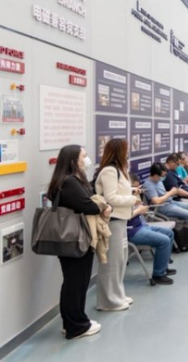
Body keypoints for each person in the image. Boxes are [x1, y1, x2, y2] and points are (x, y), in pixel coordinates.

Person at [48, 145, 107, 339]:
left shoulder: (64, 180)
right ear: (73, 160)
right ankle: (76, 327)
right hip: (75, 240)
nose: (87, 159)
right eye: (84, 156)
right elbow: (89, 206)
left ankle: (72, 323)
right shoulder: (70, 182)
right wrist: (102, 205)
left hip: (71, 239)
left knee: (73, 283)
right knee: (76, 284)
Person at [94, 139, 139, 312]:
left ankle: (118, 294)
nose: (128, 153)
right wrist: (132, 199)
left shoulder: (120, 170)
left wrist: (132, 192)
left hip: (121, 220)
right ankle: (109, 301)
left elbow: (118, 191)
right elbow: (110, 198)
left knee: (120, 259)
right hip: (112, 221)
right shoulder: (109, 171)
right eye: (126, 150)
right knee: (111, 262)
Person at [127, 174, 176, 285]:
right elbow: (125, 216)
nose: (137, 189)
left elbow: (139, 208)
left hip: (141, 225)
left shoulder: (133, 195)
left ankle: (164, 267)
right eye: (134, 187)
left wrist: (139, 205)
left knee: (169, 233)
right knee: (164, 240)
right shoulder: (123, 199)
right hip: (132, 231)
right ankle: (158, 274)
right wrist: (139, 210)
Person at [143, 163, 188, 241]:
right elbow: (157, 201)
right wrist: (170, 193)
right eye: (162, 175)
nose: (164, 177)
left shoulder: (158, 181)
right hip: (162, 207)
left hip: (171, 202)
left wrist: (173, 192)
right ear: (156, 175)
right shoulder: (148, 185)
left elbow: (163, 194)